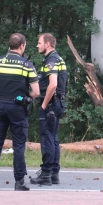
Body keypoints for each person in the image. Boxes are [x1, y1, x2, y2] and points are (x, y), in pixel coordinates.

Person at [0, 33, 39, 191]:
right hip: (17, 108)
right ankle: (19, 182)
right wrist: (24, 98)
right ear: (22, 46)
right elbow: (36, 91)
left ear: (9, 45)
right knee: (19, 145)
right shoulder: (27, 65)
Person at [30, 33, 67, 186]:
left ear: (47, 44)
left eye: (39, 43)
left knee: (47, 139)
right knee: (53, 138)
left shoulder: (51, 60)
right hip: (57, 104)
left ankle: (46, 174)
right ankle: (53, 173)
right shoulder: (58, 58)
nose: (37, 45)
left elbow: (52, 84)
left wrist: (44, 104)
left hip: (50, 105)